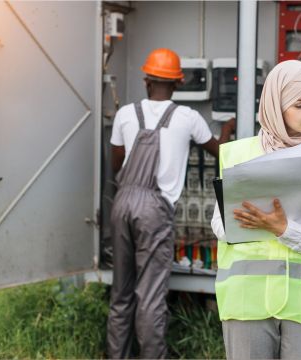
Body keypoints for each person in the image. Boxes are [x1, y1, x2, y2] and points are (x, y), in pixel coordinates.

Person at [211, 60, 301, 360]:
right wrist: (255, 218)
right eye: (300, 104)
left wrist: (283, 229)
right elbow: (220, 226)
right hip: (245, 301)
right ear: (275, 104)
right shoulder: (238, 154)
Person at [106, 48, 235, 359]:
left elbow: (115, 163)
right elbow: (221, 153)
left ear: (146, 81)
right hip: (154, 209)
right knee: (149, 295)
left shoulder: (125, 114)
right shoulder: (188, 118)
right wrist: (228, 129)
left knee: (121, 293)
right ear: (177, 84)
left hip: (122, 202)